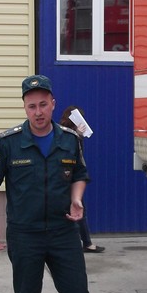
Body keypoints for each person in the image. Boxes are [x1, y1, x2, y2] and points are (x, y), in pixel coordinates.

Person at [0, 74, 115, 293]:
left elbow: (80, 174)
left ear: (53, 104)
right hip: (24, 233)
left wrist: (77, 198)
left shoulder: (69, 139)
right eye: (32, 106)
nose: (38, 111)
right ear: (24, 108)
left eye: (43, 104)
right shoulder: (8, 142)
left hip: (63, 231)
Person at [60, 105, 104, 253]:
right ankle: (86, 243)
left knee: (76, 207)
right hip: (69, 177)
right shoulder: (67, 135)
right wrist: (78, 136)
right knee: (79, 209)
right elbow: (72, 155)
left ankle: (84, 242)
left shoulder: (69, 134)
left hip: (72, 177)